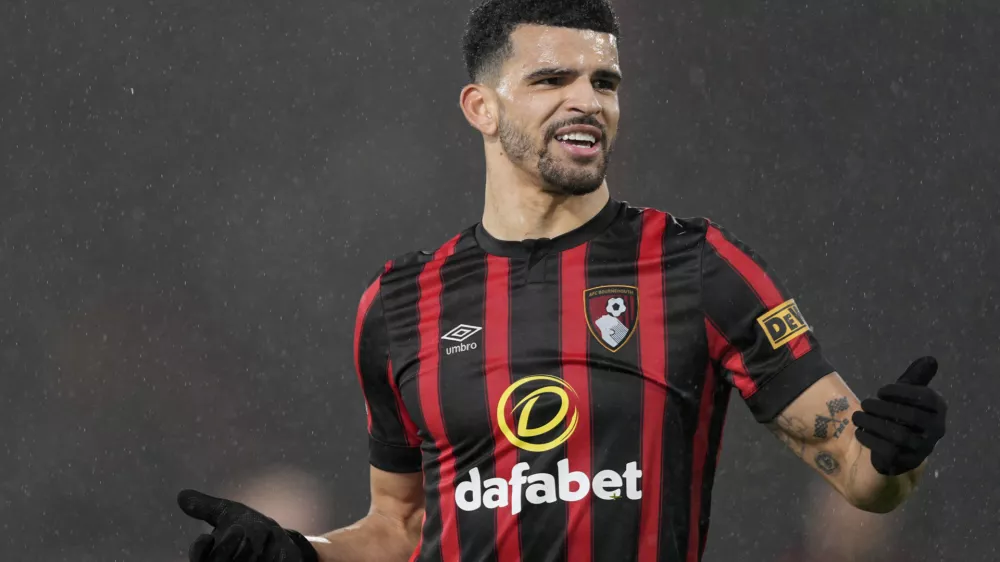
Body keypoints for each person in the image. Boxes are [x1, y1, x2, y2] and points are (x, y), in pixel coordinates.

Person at [176, 1, 948, 560]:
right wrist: (301, 553)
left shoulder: (699, 267)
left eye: (604, 82)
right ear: (481, 107)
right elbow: (400, 528)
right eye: (552, 79)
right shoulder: (398, 304)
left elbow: (858, 473)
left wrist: (895, 455)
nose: (587, 101)